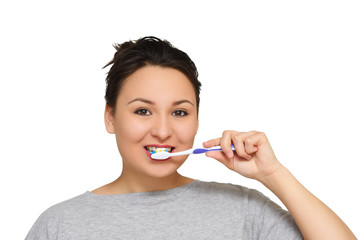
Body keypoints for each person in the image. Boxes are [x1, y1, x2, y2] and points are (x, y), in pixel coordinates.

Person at [25, 36, 356, 239]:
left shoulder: (242, 209)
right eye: (143, 111)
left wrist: (273, 175)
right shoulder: (59, 225)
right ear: (110, 117)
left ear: (197, 119)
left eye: (179, 112)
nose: (163, 130)